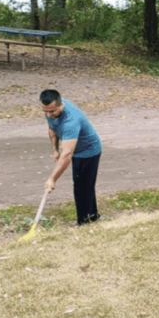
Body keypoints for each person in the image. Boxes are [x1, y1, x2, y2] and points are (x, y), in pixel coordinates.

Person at [40, 89, 102, 224]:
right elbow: (52, 129)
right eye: (45, 111)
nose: (48, 114)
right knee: (84, 184)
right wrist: (55, 150)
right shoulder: (50, 110)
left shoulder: (71, 120)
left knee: (82, 186)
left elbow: (67, 154)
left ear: (60, 105)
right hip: (76, 148)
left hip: (88, 150)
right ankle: (92, 215)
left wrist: (52, 179)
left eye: (52, 111)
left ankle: (85, 221)